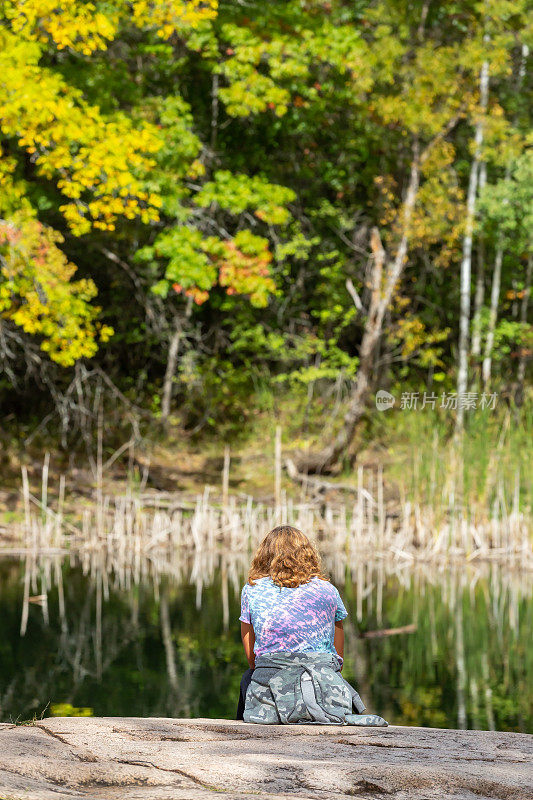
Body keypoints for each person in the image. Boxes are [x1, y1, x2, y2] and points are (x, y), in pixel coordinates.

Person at [236, 524, 383, 725]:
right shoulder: (328, 590)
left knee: (249, 677)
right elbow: (337, 660)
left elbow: (253, 659)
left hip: (272, 683)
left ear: (264, 555)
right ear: (308, 554)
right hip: (320, 683)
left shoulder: (252, 590)